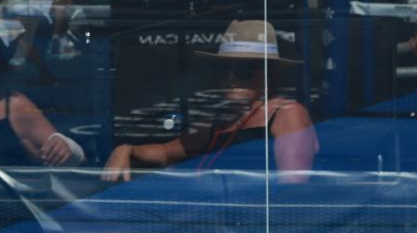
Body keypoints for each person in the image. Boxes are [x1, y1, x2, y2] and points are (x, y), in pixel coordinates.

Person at [101, 19, 317, 182]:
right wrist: (127, 149)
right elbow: (167, 152)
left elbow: (292, 187)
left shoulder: (287, 113)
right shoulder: (223, 120)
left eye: (243, 69)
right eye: (223, 68)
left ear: (268, 73)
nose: (230, 77)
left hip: (254, 232)